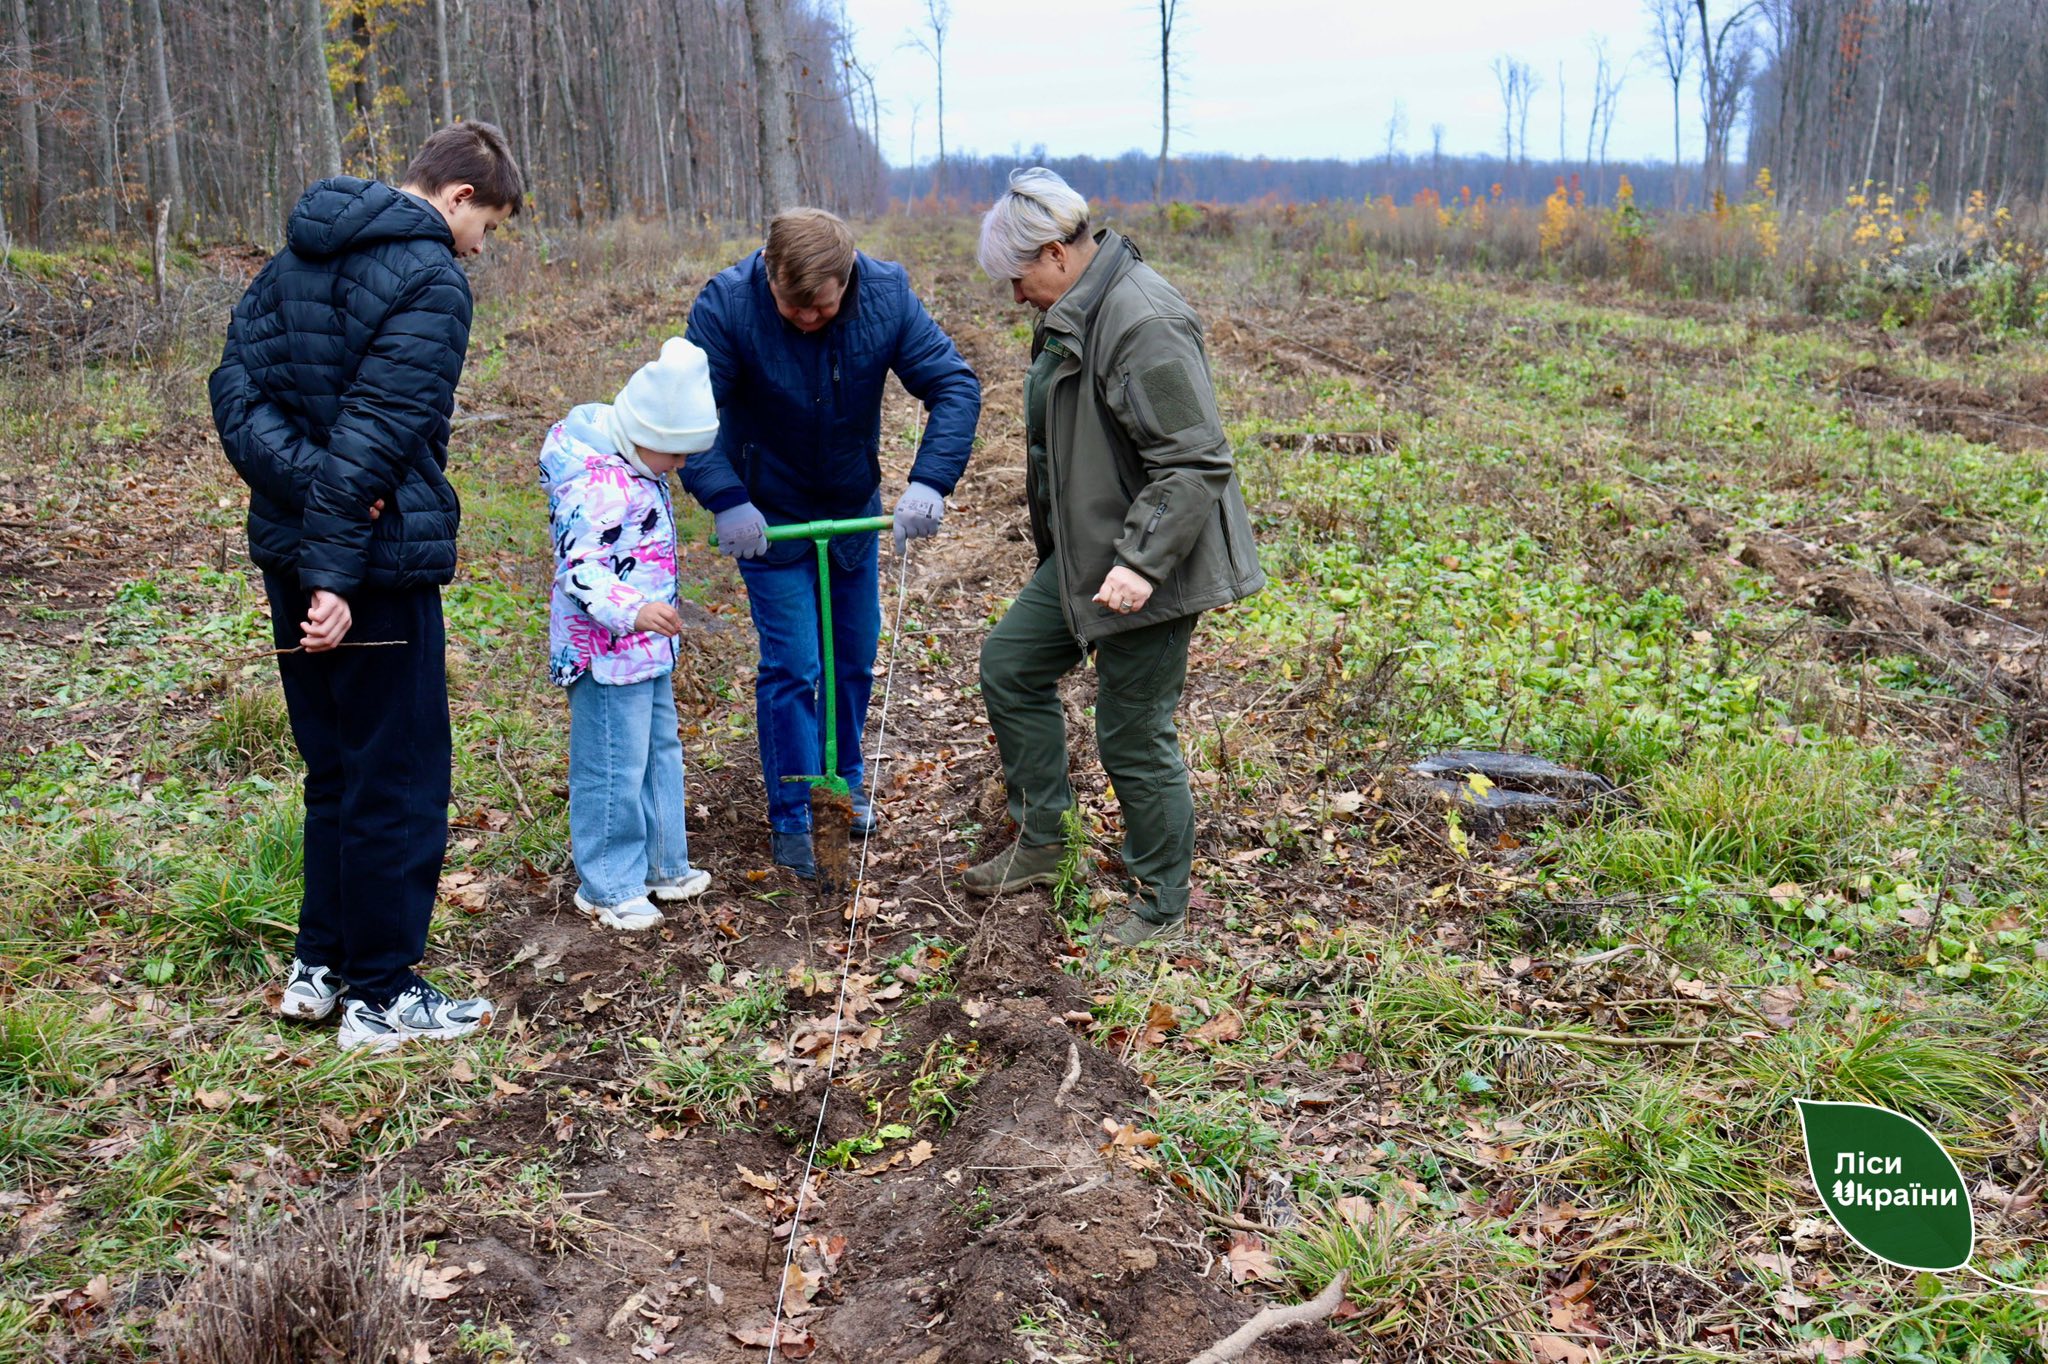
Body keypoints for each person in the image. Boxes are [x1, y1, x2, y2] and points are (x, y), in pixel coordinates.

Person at [207, 122, 523, 1050]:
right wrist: (337, 568)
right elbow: (377, 434)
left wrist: (305, 505)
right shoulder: (430, 279)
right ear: (459, 196)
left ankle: (322, 971)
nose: (481, 246)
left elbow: (236, 394)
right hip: (370, 569)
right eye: (490, 226)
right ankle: (382, 996)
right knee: (400, 773)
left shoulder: (292, 258)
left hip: (291, 550)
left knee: (335, 769)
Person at [962, 168, 1266, 947]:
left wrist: (1139, 560)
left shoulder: (1143, 320)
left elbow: (1195, 460)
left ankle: (1161, 906)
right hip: (1091, 556)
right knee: (1010, 665)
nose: (1014, 295)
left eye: (1018, 276)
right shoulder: (1077, 306)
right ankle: (1044, 841)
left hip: (1154, 564)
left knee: (1132, 731)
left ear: (1058, 252)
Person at [681, 208, 981, 879]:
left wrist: (930, 481)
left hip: (850, 508)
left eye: (820, 306)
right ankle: (793, 813)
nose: (807, 320)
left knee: (851, 660)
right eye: (793, 305)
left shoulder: (886, 294)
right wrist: (726, 497)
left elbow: (953, 385)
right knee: (794, 666)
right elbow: (691, 413)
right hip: (768, 517)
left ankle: (840, 788)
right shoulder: (728, 306)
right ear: (769, 273)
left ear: (847, 280)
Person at [540, 337, 719, 932]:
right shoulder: (593, 482)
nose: (682, 467)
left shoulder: (636, 463)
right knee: (613, 762)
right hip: (606, 651)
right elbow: (580, 568)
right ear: (646, 435)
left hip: (646, 650)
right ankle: (609, 884)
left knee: (658, 750)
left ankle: (663, 862)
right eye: (677, 453)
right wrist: (634, 609)